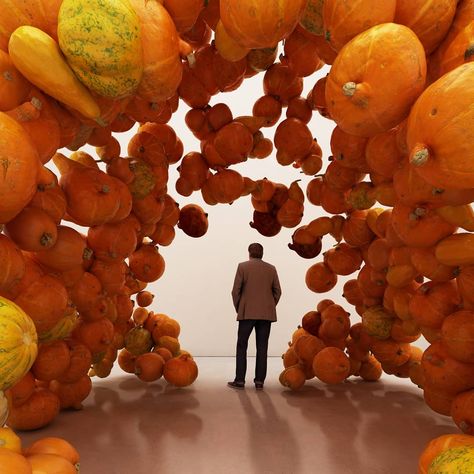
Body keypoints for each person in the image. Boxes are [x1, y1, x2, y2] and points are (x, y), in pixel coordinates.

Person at [228, 243, 282, 390]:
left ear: (249, 253)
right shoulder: (271, 269)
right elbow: (277, 291)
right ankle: (259, 381)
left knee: (241, 346)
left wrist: (240, 307)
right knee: (262, 347)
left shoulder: (243, 267)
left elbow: (235, 291)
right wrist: (269, 306)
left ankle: (240, 380)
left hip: (247, 313)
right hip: (266, 314)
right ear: (262, 253)